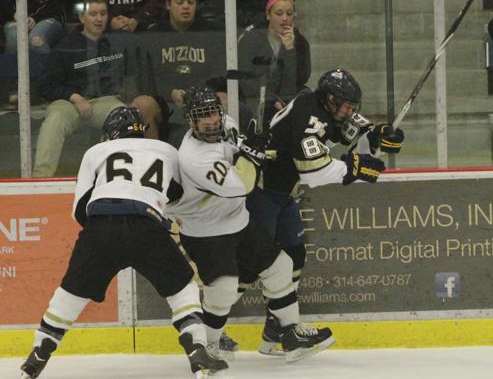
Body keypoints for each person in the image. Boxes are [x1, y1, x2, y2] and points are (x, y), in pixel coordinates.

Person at [19, 106, 227, 379]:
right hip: (147, 225)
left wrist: (102, 238)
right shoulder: (166, 150)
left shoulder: (94, 152)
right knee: (182, 290)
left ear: (110, 133)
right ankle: (197, 351)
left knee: (71, 293)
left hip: (100, 226)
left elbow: (80, 209)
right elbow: (177, 195)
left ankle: (37, 356)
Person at [168, 87, 335, 367]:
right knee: (223, 287)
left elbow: (244, 147)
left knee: (280, 266)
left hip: (238, 222)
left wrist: (256, 145)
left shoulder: (228, 125)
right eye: (201, 117)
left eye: (212, 113)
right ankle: (209, 345)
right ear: (190, 122)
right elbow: (242, 185)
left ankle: (291, 335)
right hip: (206, 230)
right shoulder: (193, 157)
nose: (210, 120)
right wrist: (252, 156)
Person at [245, 68, 404, 355]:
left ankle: (277, 329)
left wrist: (379, 134)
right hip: (260, 192)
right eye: (345, 105)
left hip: (283, 194)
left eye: (352, 106)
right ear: (330, 99)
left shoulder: (329, 110)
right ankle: (208, 334)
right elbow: (313, 172)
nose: (349, 111)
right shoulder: (309, 114)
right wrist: (353, 168)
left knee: (294, 256)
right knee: (249, 266)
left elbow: (356, 133)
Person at [33, 0, 132, 178]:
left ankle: (121, 178)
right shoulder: (65, 46)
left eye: (103, 13)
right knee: (54, 121)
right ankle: (41, 179)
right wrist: (73, 96)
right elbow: (46, 86)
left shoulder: (116, 43)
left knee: (125, 117)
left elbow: (129, 76)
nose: (99, 19)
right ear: (81, 18)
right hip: (69, 103)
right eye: (93, 14)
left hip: (105, 102)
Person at [131, 0, 226, 144]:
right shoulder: (153, 35)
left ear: (196, 5)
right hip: (166, 103)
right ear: (168, 5)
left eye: (191, 2)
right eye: (180, 2)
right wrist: (170, 93)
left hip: (204, 101)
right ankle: (152, 159)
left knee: (225, 99)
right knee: (142, 104)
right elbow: (146, 81)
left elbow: (219, 75)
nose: (186, 7)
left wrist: (199, 95)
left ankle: (222, 156)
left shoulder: (212, 33)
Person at [238, 0, 311, 130]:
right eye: (279, 14)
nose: (285, 18)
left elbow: (300, 78)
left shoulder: (300, 42)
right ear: (268, 15)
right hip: (256, 97)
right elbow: (244, 78)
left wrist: (289, 49)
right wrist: (270, 100)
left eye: (289, 14)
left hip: (287, 98)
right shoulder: (250, 40)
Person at [0, 0, 66, 106]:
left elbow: (57, 0)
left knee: (36, 39)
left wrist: (36, 17)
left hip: (48, 17)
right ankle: (15, 89)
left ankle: (50, 88)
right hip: (14, 18)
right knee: (15, 37)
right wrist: (13, 13)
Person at [86, 0, 166, 33]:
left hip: (147, 29)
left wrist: (137, 20)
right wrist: (110, 20)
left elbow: (158, 0)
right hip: (107, 32)